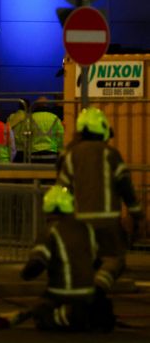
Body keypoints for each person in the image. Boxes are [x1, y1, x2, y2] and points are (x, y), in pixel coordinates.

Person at [58, 107, 143, 297]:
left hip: (78, 221)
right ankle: (98, 290)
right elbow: (126, 188)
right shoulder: (110, 154)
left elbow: (62, 189)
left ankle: (81, 298)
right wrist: (136, 214)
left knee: (86, 260)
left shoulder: (70, 155)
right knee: (115, 260)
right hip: (107, 221)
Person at [19, 185, 114, 332]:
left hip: (62, 292)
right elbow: (97, 261)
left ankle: (67, 316)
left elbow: (36, 264)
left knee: (40, 310)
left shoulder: (50, 231)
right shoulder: (86, 228)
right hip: (89, 292)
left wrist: (25, 274)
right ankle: (89, 313)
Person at [26, 97, 64, 166]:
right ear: (47, 104)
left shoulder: (30, 118)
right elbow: (60, 135)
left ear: (36, 105)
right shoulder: (54, 118)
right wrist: (59, 150)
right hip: (51, 153)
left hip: (34, 154)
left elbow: (25, 136)